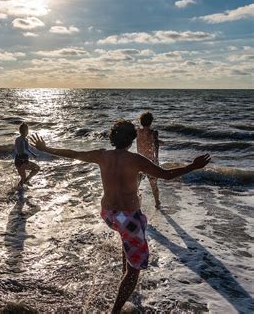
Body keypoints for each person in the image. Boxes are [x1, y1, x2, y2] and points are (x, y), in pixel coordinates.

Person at [29, 119, 210, 314]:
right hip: (128, 219)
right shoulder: (135, 159)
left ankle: (125, 271)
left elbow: (73, 154)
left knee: (127, 244)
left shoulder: (102, 155)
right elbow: (165, 175)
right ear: (132, 139)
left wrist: (45, 148)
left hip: (108, 214)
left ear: (112, 138)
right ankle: (115, 311)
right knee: (134, 272)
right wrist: (193, 166)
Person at [136, 112, 164, 208]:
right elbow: (155, 146)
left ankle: (134, 202)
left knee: (136, 184)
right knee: (154, 185)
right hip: (150, 162)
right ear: (151, 122)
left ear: (140, 121)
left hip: (139, 162)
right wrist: (157, 160)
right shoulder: (154, 132)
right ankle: (157, 203)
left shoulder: (137, 131)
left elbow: (143, 141)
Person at [14, 122, 40, 187]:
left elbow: (27, 149)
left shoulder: (26, 139)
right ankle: (17, 190)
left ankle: (26, 180)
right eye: (26, 130)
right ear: (23, 131)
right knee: (23, 178)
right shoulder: (18, 139)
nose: (27, 132)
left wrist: (33, 154)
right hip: (19, 160)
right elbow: (19, 150)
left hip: (25, 160)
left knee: (36, 168)